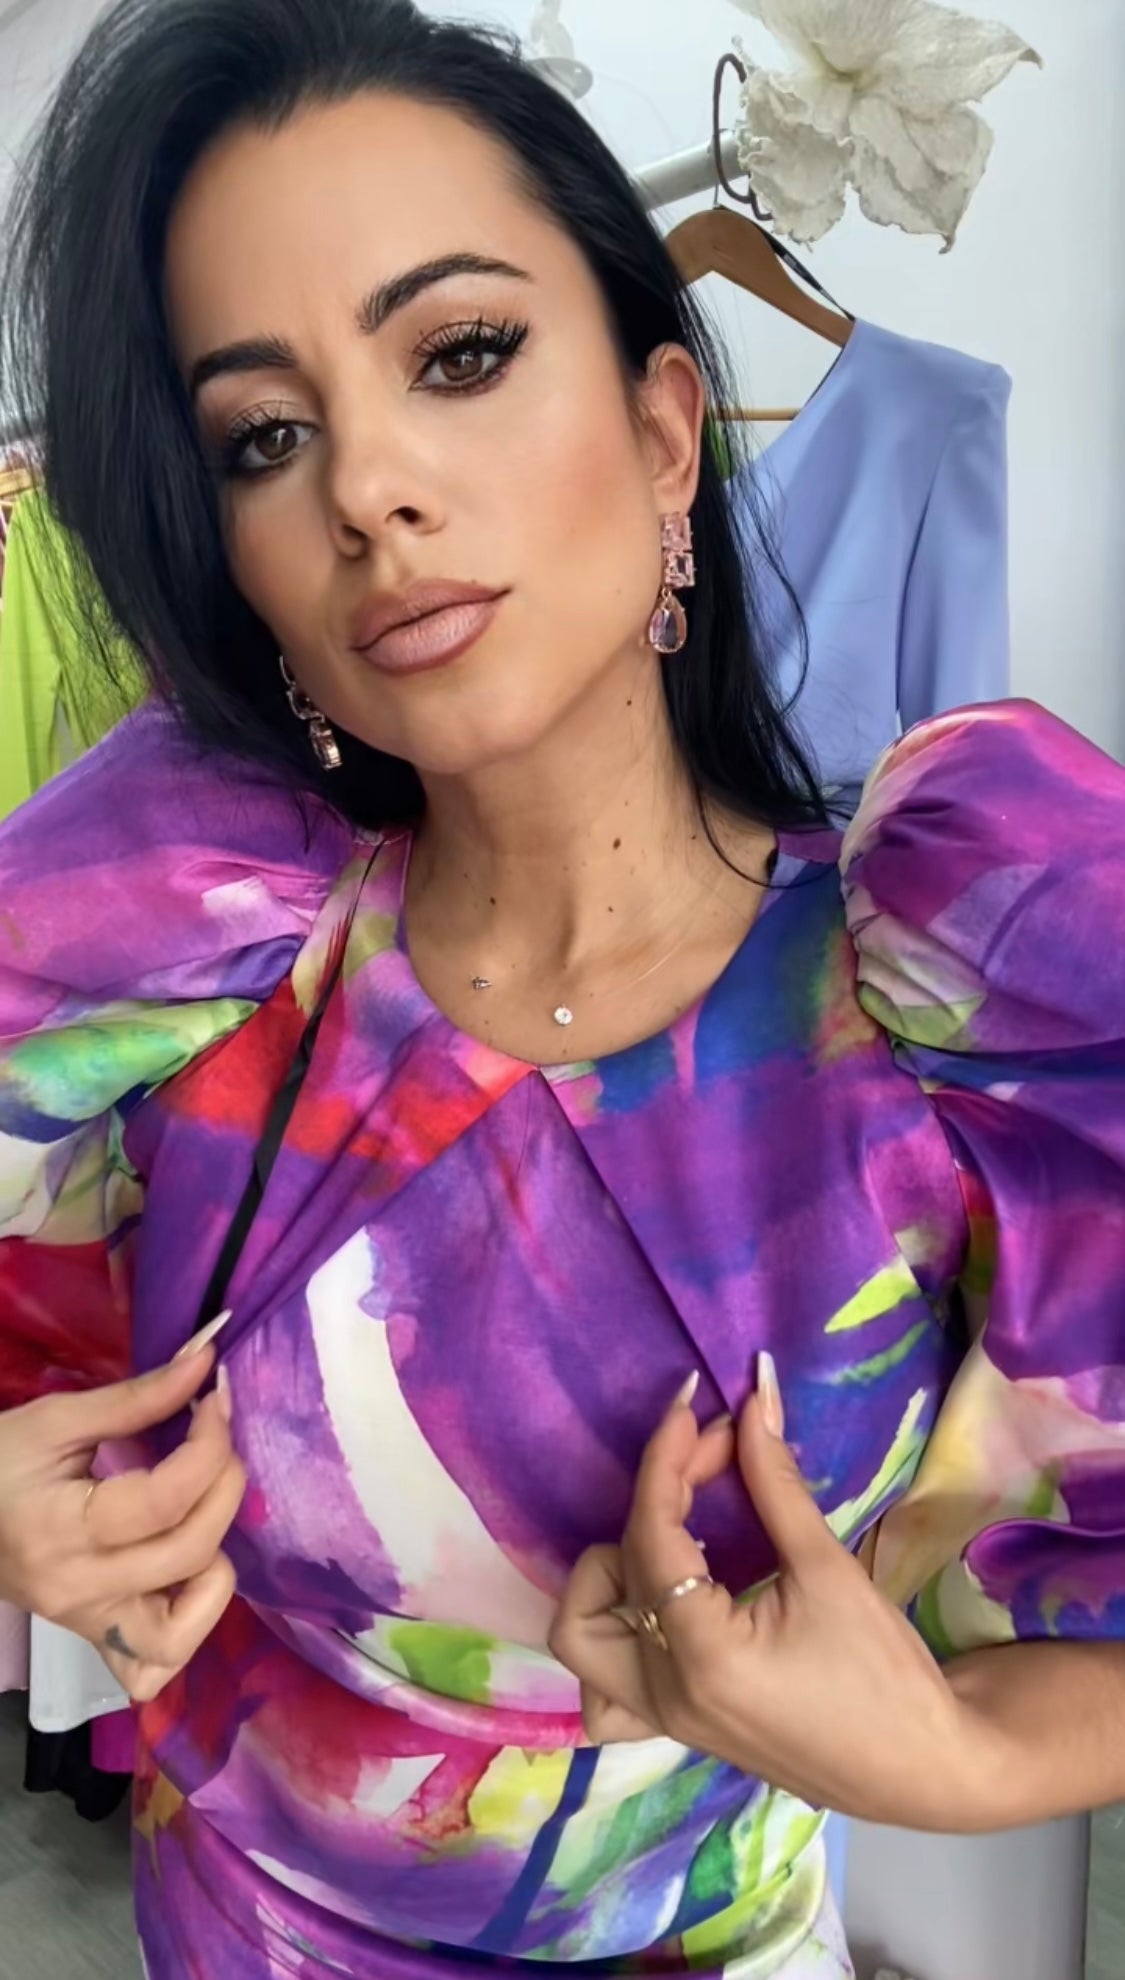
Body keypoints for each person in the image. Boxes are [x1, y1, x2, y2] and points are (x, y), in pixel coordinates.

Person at [0, 1, 1123, 1975]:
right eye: (266, 437)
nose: (369, 488)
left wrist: (953, 1756)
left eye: (458, 354)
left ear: (665, 430)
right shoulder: (182, 936)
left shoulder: (967, 982)